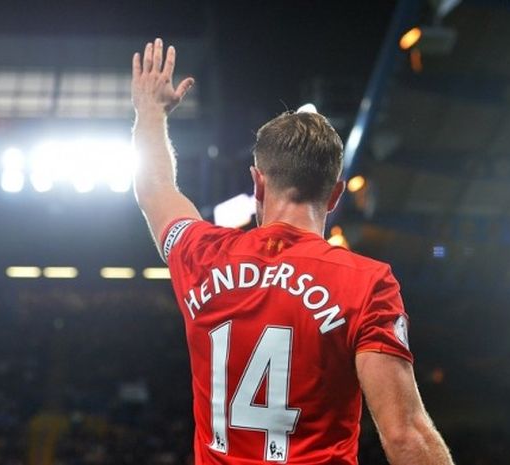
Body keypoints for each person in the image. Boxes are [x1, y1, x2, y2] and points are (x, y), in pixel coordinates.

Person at [131, 38, 454, 465]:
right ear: (336, 194)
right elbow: (405, 436)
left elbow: (155, 189)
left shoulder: (203, 256)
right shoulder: (367, 283)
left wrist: (150, 113)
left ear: (257, 183)